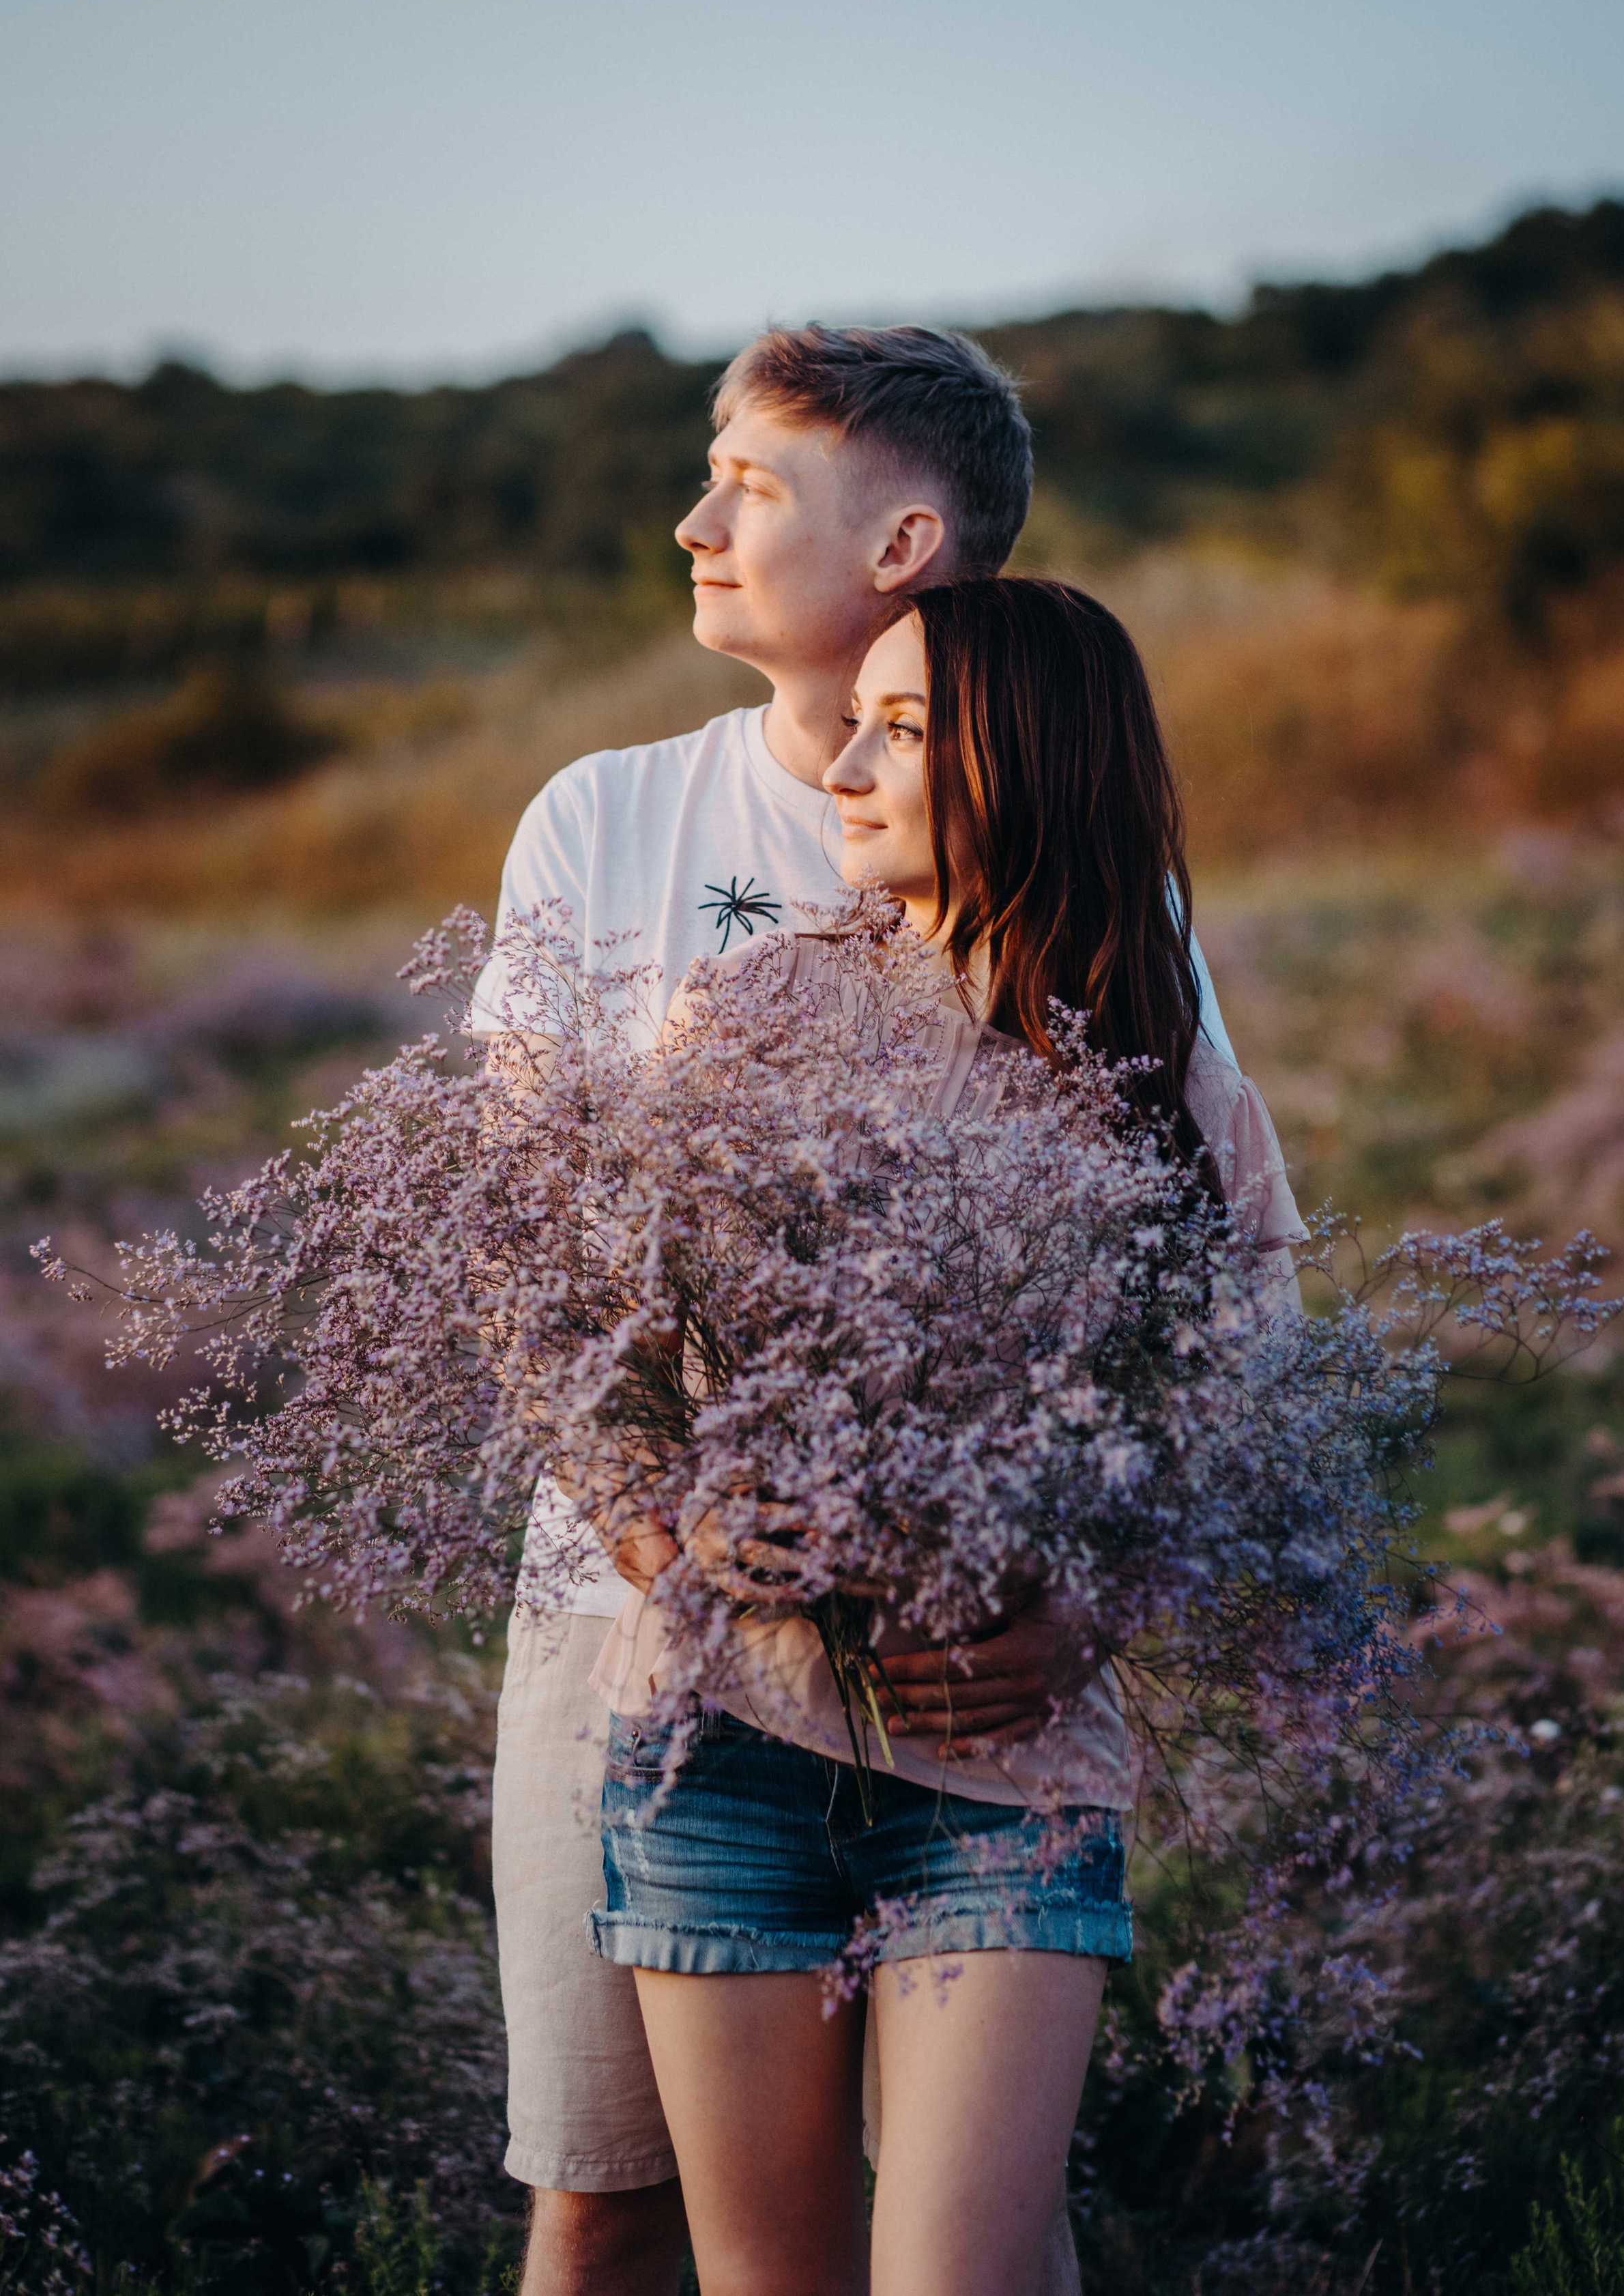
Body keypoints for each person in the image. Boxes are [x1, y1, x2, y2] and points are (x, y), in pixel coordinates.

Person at [478, 325, 1238, 2296]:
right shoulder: (613, 822)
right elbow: (524, 1251)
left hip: (991, 1708)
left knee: (976, 2233)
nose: (692, 520)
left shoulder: (1104, 938)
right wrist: (672, 1531)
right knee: (599, 2195)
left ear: (904, 540)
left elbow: (1214, 1289)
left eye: (752, 484)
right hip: (650, 1631)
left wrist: (1092, 1582)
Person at [586, 579, 1305, 2296]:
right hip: (724, 1744)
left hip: (1004, 1771)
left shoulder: (1165, 1081)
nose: (840, 763)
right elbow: (587, 1337)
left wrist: (1089, 1615)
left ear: (1032, 759)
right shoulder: (750, 1016)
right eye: (857, 719)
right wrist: (663, 1536)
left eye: (900, 728)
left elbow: (1241, 1412)